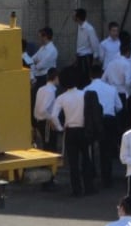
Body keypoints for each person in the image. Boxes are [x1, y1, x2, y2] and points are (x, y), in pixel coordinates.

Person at [51, 67, 95, 196]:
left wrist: (60, 128)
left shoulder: (61, 98)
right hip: (84, 130)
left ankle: (76, 189)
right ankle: (89, 187)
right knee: (87, 159)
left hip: (70, 131)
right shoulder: (84, 94)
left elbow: (53, 116)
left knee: (73, 162)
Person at [84, 62, 122, 188]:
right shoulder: (111, 89)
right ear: (102, 74)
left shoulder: (87, 89)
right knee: (106, 150)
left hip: (93, 120)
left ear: (90, 75)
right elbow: (119, 106)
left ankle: (92, 173)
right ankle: (107, 178)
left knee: (90, 149)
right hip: (109, 119)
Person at [32, 69, 61, 155]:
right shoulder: (51, 91)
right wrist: (51, 119)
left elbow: (37, 107)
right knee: (50, 146)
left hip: (39, 120)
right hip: (47, 122)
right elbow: (43, 109)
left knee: (45, 145)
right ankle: (49, 164)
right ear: (55, 78)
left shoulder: (41, 89)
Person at [73, 8, 101, 83]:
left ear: (78, 17)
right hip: (80, 56)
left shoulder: (89, 29)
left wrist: (95, 56)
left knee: (85, 78)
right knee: (79, 77)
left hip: (86, 57)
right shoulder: (79, 26)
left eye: (74, 15)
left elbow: (95, 43)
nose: (73, 17)